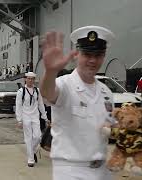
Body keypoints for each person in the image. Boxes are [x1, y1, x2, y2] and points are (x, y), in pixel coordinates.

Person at [40, 26, 115, 180]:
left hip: (103, 169)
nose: (93, 60)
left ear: (104, 55)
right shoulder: (65, 84)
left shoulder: (106, 92)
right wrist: (50, 71)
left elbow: (110, 128)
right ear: (76, 54)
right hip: (71, 170)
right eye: (87, 54)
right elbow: (48, 93)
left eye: (98, 55)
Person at [15, 72, 48, 167]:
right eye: (28, 78)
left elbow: (41, 104)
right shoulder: (21, 91)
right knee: (28, 138)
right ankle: (30, 159)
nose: (30, 80)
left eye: (32, 79)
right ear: (25, 79)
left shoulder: (37, 91)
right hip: (25, 117)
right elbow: (18, 106)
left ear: (34, 80)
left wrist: (45, 117)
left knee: (38, 136)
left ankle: (33, 151)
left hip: (35, 116)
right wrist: (19, 120)